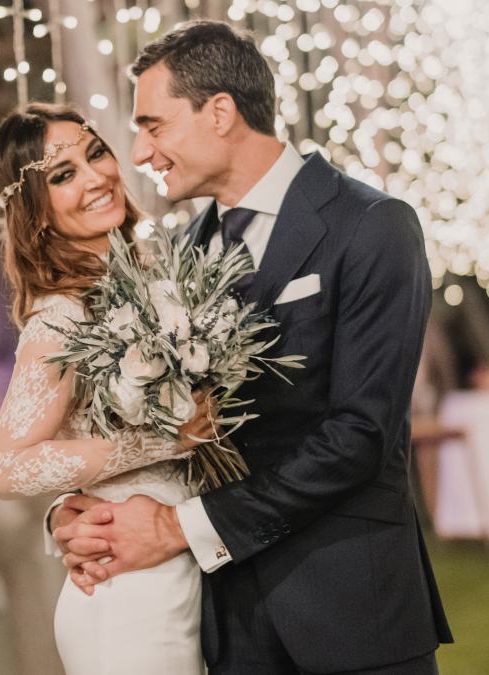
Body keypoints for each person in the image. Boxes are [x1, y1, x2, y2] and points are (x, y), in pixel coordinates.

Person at [50, 20, 453, 674]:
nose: (141, 151)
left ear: (219, 112)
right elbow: (154, 427)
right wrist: (82, 519)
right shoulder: (177, 257)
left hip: (351, 612)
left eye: (154, 125)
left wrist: (179, 528)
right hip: (229, 624)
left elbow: (360, 434)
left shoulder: (371, 226)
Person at [0, 102, 218, 673]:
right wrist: (167, 441)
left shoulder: (152, 278)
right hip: (128, 598)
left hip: (172, 569)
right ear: (36, 212)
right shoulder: (61, 318)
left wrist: (64, 511)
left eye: (96, 154)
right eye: (63, 176)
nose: (95, 178)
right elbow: (10, 468)